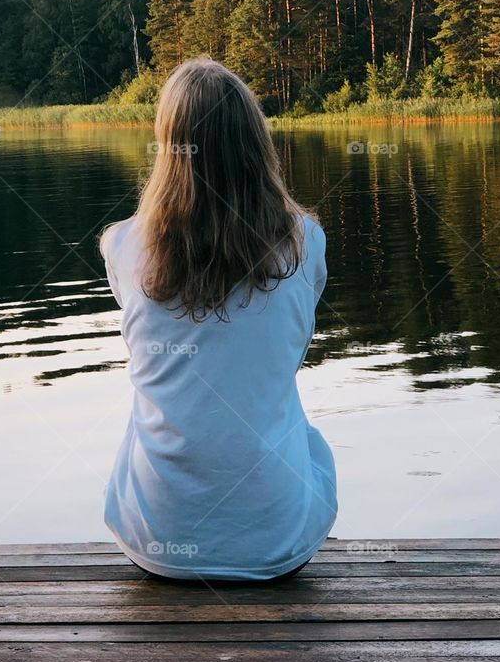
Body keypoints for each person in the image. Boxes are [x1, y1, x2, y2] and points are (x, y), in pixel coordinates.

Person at [100, 57, 337, 584]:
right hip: (276, 543)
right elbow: (291, 347)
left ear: (168, 147)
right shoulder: (307, 242)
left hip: (155, 541)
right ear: (256, 141)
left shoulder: (121, 245)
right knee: (304, 436)